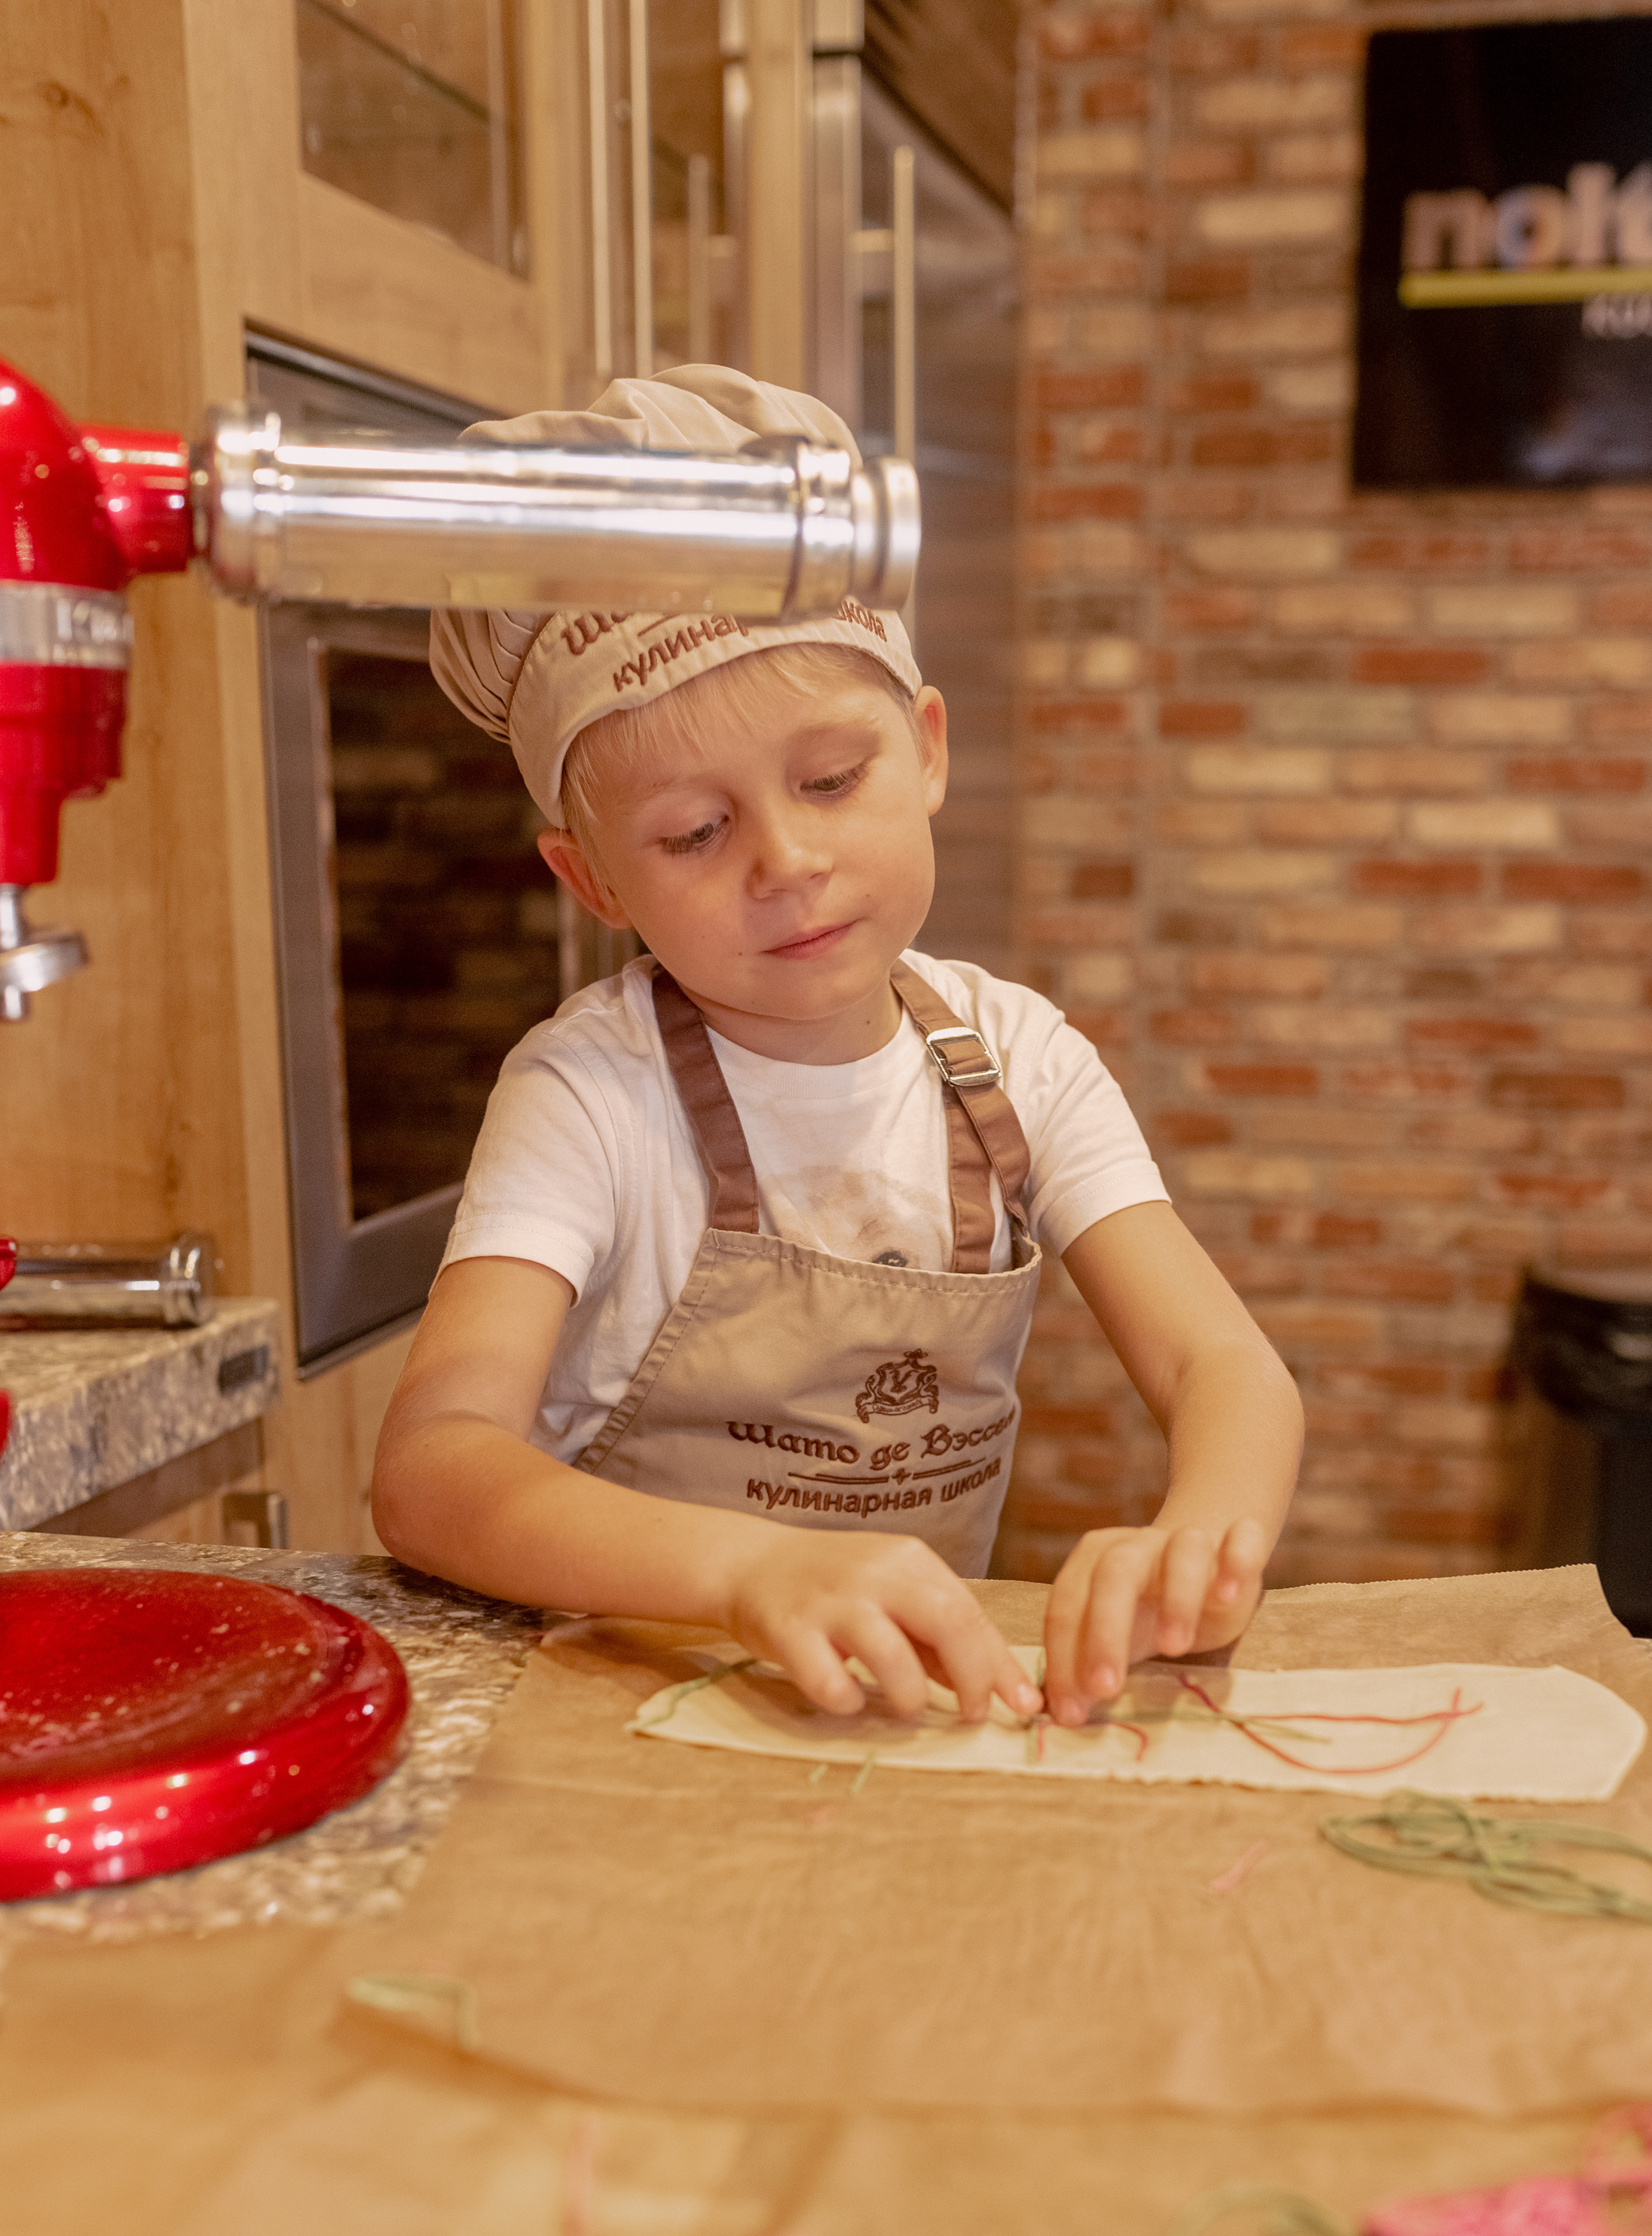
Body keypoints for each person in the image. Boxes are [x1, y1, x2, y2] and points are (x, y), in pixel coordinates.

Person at [372, 365, 1302, 1732]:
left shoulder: (1019, 1060)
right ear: (594, 882)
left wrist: (1197, 1541)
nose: (787, 862)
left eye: (830, 780)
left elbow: (1224, 1370)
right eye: (694, 833)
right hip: (614, 1723)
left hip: (899, 1720)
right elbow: (433, 1466)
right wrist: (748, 1569)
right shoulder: (590, 1095)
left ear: (925, 750)